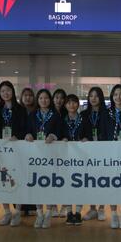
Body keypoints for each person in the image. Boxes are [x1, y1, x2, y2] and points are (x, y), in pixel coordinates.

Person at [25, 89, 62, 229]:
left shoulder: (56, 115)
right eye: (40, 98)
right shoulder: (33, 114)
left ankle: (48, 214)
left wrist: (53, 135)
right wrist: (27, 134)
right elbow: (27, 129)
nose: (43, 100)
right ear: (37, 100)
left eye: (46, 98)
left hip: (51, 156)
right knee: (37, 185)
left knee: (50, 185)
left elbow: (60, 131)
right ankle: (39, 213)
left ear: (50, 100)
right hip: (36, 156)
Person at [100, 84, 121, 229]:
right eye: (115, 95)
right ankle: (113, 214)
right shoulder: (106, 113)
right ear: (112, 97)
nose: (118, 97)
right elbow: (102, 133)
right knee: (112, 185)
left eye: (120, 94)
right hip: (110, 154)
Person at [0, 81, 27, 227]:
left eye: (8, 90)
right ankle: (7, 211)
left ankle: (18, 212)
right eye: (2, 91)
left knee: (17, 179)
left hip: (17, 149)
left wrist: (18, 136)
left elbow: (25, 128)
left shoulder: (20, 109)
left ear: (13, 92)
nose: (5, 93)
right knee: (3, 180)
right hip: (2, 150)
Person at [81, 87, 108, 222]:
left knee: (103, 179)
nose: (93, 98)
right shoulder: (84, 114)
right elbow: (81, 130)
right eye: (91, 96)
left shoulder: (107, 113)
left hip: (103, 150)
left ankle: (102, 208)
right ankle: (92, 209)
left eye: (96, 96)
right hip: (88, 151)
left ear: (101, 98)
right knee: (90, 180)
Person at [61, 94, 85, 226]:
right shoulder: (61, 119)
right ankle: (70, 212)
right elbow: (58, 134)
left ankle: (79, 212)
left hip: (81, 157)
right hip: (66, 157)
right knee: (67, 185)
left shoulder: (84, 119)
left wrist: (86, 139)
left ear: (78, 104)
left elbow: (87, 134)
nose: (71, 105)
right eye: (69, 103)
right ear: (65, 105)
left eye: (74, 102)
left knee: (80, 184)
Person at [19, 87, 37, 216]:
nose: (28, 97)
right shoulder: (17, 110)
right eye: (25, 95)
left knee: (33, 178)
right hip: (19, 149)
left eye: (30, 95)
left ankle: (32, 206)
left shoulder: (36, 111)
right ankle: (19, 207)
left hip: (34, 149)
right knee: (20, 177)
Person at [52, 88, 68, 218]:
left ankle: (65, 205)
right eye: (56, 97)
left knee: (64, 179)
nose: (59, 100)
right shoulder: (48, 112)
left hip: (64, 151)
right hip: (50, 151)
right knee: (52, 179)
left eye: (62, 98)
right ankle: (52, 206)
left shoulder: (67, 113)